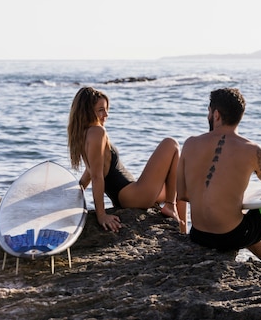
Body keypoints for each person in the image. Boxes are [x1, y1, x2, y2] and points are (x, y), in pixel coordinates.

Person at [177, 87, 261, 270]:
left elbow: (182, 193)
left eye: (208, 111)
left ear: (217, 115)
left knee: (238, 214)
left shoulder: (190, 143)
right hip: (230, 237)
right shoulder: (252, 150)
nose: (208, 115)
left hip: (198, 235)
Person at [68, 86, 186, 233]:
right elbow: (97, 176)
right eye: (101, 110)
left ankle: (181, 230)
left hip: (126, 197)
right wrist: (101, 215)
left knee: (181, 187)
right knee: (171, 144)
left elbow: (90, 172)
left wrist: (73, 196)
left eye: (106, 109)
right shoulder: (98, 132)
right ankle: (171, 208)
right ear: (86, 112)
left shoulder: (84, 135)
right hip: (133, 196)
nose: (106, 114)